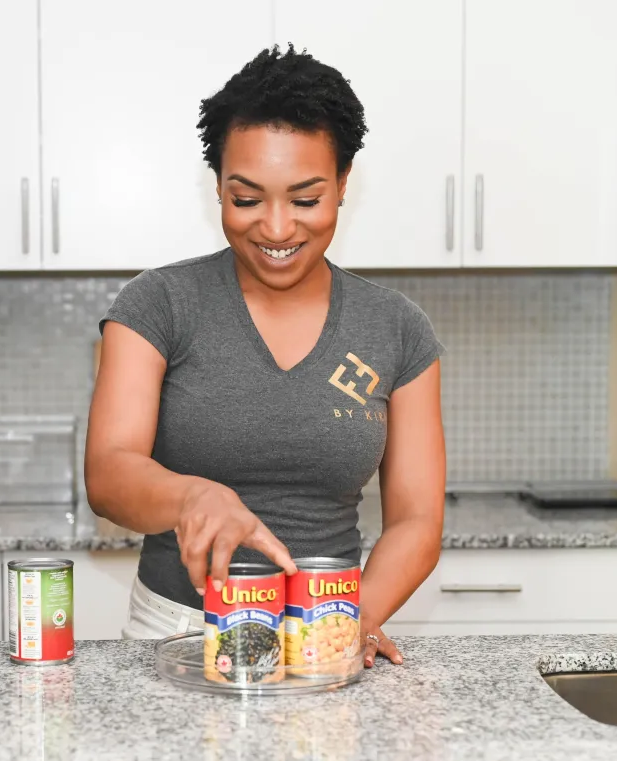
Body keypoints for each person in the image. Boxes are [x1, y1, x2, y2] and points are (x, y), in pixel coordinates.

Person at [85, 44, 445, 668]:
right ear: (218, 187)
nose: (276, 229)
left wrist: (350, 622)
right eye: (247, 199)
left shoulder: (397, 328)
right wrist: (193, 497)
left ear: (342, 186)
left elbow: (416, 520)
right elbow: (109, 473)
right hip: (177, 631)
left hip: (327, 628)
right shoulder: (158, 304)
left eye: (305, 199)